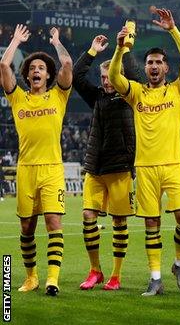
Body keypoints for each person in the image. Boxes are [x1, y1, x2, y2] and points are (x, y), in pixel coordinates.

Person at [109, 8, 180, 296]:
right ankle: (155, 277)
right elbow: (113, 75)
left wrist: (172, 29)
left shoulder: (179, 90)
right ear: (145, 68)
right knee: (151, 223)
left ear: (167, 68)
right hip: (145, 167)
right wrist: (120, 49)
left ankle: (179, 264)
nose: (154, 66)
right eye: (150, 63)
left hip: (174, 164)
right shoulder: (136, 93)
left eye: (159, 62)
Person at [0, 24, 73, 296]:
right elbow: (4, 68)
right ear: (28, 75)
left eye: (41, 68)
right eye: (32, 68)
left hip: (52, 169)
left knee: (54, 222)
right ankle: (31, 277)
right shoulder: (18, 98)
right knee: (26, 228)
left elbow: (66, 63)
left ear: (48, 74)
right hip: (26, 169)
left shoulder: (59, 95)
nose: (36, 71)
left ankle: (52, 279)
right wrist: (15, 42)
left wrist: (55, 41)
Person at [73, 34, 140, 291]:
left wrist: (123, 49)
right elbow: (78, 77)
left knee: (119, 223)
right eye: (102, 78)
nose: (105, 81)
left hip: (121, 168)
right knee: (88, 217)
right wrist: (92, 50)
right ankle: (95, 270)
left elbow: (134, 74)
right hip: (94, 167)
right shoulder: (98, 96)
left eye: (109, 76)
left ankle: (115, 274)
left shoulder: (130, 95)